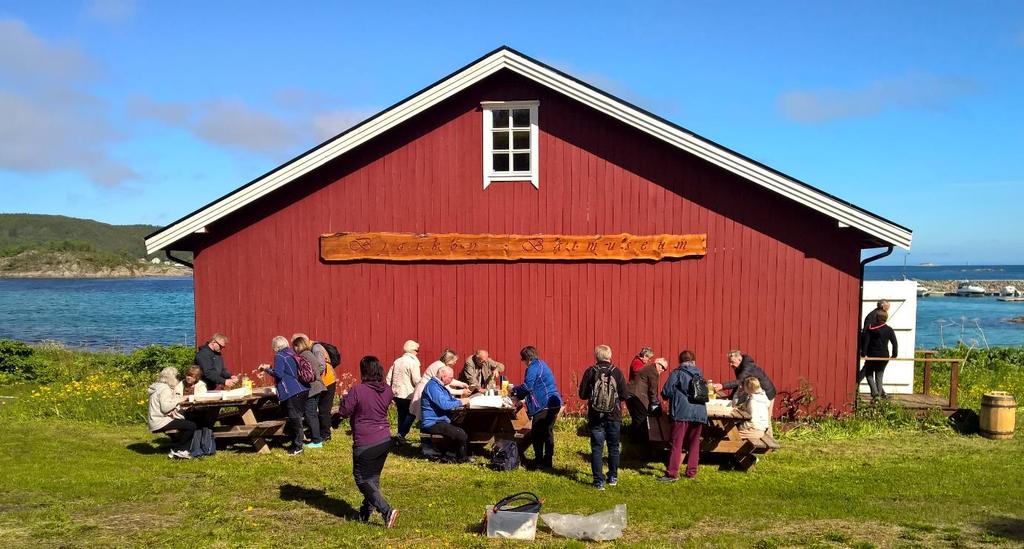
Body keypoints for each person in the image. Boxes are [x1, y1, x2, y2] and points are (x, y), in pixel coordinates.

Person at [336, 356, 399, 528]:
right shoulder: (386, 389)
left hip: (366, 441)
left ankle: (387, 511)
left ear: (364, 371)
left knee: (362, 478)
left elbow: (344, 411)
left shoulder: (358, 390)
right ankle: (365, 512)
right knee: (373, 478)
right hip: (384, 438)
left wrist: (345, 397)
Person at [577, 345, 627, 490]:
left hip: (595, 415)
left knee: (597, 448)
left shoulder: (591, 371)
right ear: (609, 355)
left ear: (596, 356)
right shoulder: (616, 372)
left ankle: (598, 481)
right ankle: (612, 477)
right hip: (614, 415)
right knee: (613, 447)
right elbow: (624, 394)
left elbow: (582, 395)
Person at [511, 345, 562, 470]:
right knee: (547, 433)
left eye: (523, 360)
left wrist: (514, 390)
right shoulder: (541, 364)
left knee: (537, 434)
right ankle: (547, 461)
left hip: (544, 404)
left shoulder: (533, 367)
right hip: (553, 402)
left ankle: (539, 462)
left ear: (526, 359)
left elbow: (528, 386)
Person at [659, 350, 708, 481]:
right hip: (699, 412)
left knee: (677, 443)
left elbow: (666, 392)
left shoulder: (677, 373)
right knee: (694, 443)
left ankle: (672, 473)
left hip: (681, 412)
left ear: (680, 360)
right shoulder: (700, 374)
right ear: (694, 361)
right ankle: (691, 472)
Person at [257, 336, 310, 456]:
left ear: (275, 346)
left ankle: (298, 446)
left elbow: (279, 374)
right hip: (302, 388)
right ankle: (295, 443)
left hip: (292, 391)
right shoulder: (291, 352)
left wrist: (266, 369)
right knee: (296, 418)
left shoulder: (279, 356)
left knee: (295, 419)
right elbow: (286, 370)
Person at [713, 351, 777, 434]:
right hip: (756, 393)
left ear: (739, 359)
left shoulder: (747, 367)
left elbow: (739, 381)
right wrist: (730, 398)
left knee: (765, 420)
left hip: (767, 393)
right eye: (729, 362)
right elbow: (739, 384)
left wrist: (722, 386)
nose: (730, 364)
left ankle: (770, 442)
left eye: (732, 362)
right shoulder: (739, 367)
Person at [419, 365, 472, 462]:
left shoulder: (439, 386)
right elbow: (444, 405)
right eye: (451, 377)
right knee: (460, 434)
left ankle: (452, 452)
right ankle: (461, 458)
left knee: (467, 427)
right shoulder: (433, 387)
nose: (452, 380)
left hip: (442, 419)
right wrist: (461, 402)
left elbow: (450, 400)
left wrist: (459, 401)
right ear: (443, 377)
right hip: (433, 422)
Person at [147, 366, 196, 459]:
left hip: (154, 419)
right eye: (176, 377)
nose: (177, 379)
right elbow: (165, 408)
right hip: (160, 421)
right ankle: (180, 450)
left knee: (186, 423)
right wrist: (179, 400)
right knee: (191, 426)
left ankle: (179, 448)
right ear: (171, 378)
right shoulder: (165, 389)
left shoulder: (158, 386)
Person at [410, 349, 470, 424]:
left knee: (414, 414)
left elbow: (449, 380)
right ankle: (403, 432)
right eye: (454, 360)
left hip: (427, 389)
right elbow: (445, 387)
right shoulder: (440, 367)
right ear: (449, 359)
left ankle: (402, 433)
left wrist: (462, 384)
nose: (455, 362)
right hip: (425, 389)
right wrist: (461, 391)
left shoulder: (440, 364)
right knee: (415, 414)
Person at [293, 335, 326, 449]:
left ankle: (317, 441)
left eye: (295, 346)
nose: (294, 349)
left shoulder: (303, 356)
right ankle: (316, 438)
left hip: (312, 388)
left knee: (310, 414)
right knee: (312, 414)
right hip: (318, 386)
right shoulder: (309, 354)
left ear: (298, 345)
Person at [626, 357, 668, 443]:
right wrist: (655, 402)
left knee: (636, 418)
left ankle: (632, 441)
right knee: (641, 420)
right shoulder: (653, 371)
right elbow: (652, 389)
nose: (663, 370)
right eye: (662, 367)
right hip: (637, 396)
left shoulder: (648, 368)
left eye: (665, 369)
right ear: (657, 363)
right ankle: (638, 443)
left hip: (630, 394)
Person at [385, 340, 421, 441]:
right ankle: (401, 434)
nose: (418, 352)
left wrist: (389, 391)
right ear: (413, 350)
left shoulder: (397, 361)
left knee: (402, 414)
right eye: (417, 350)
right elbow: (416, 380)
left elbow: (388, 377)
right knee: (412, 414)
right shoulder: (413, 362)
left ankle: (399, 437)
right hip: (408, 393)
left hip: (396, 393)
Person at [858, 310, 898, 399]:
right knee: (879, 376)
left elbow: (866, 342)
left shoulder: (870, 328)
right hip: (884, 356)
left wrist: (864, 353)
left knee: (869, 374)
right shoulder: (889, 329)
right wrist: (894, 354)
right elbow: (894, 343)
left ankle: (875, 394)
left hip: (872, 355)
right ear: (886, 319)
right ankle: (878, 396)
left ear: (876, 318)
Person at [311, 338, 338, 443]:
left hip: (326, 381)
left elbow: (321, 366)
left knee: (324, 409)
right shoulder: (317, 347)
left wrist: (313, 377)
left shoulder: (316, 348)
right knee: (324, 409)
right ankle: (325, 431)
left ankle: (325, 434)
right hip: (329, 379)